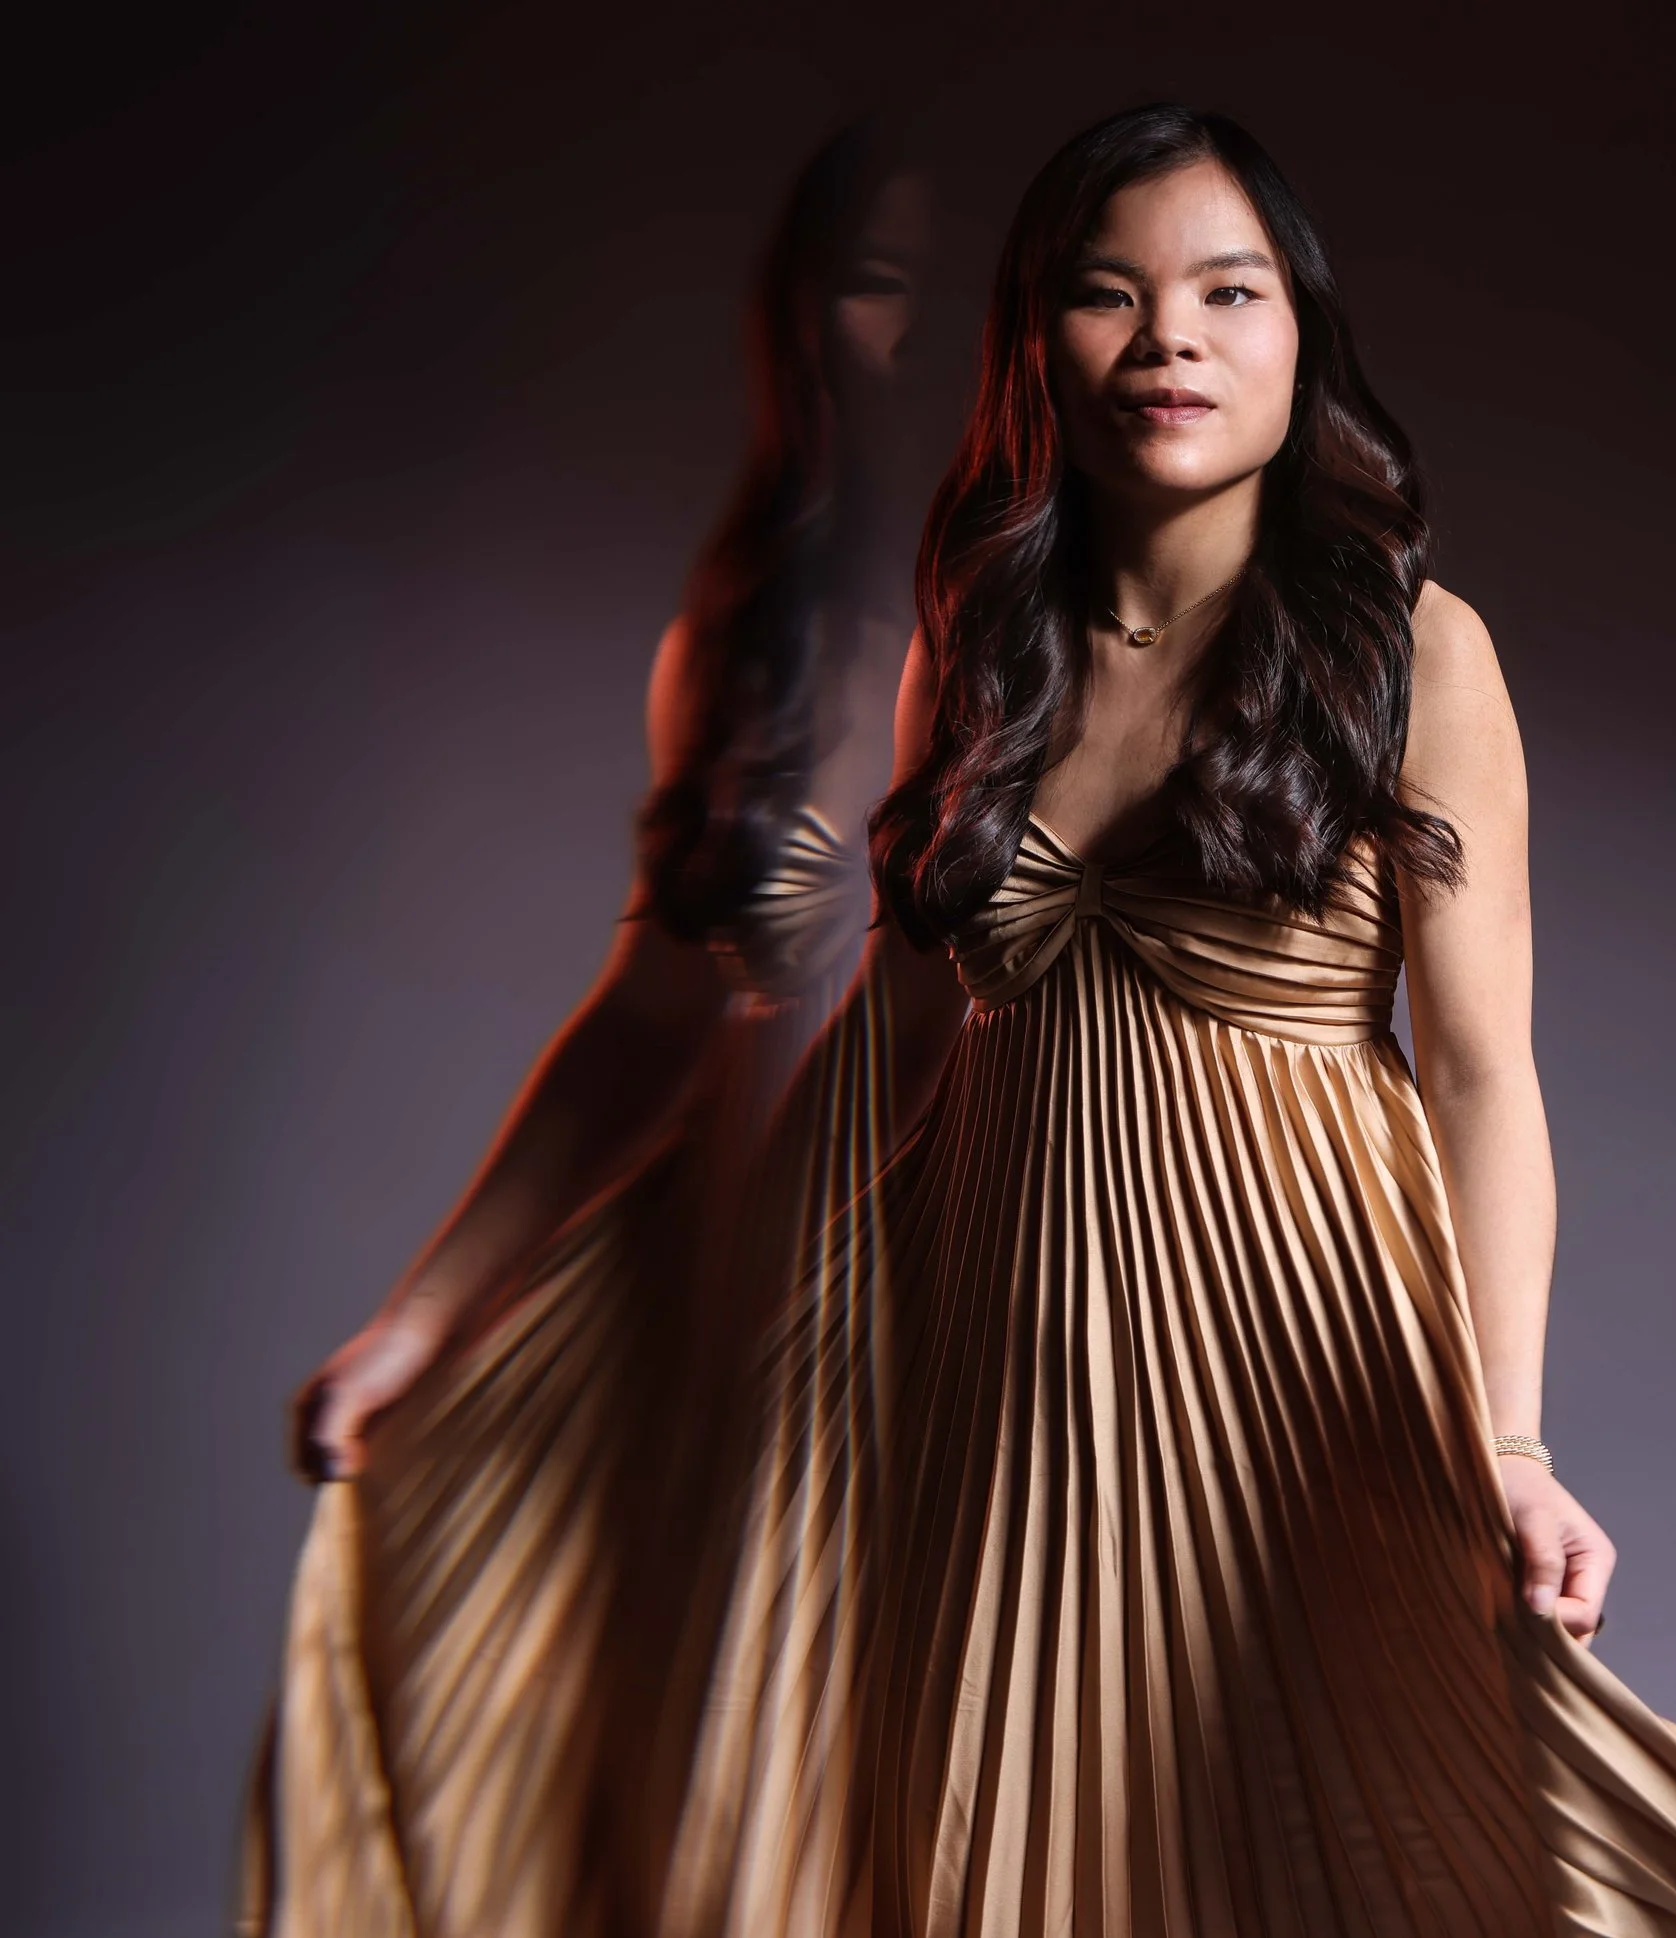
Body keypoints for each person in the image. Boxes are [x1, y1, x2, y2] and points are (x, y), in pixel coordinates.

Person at [258, 103, 1676, 1938]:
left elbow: (1481, 1075)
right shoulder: (968, 652)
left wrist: (1509, 1442)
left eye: (1225, 291)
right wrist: (464, 1323)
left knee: (1339, 1861)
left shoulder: (1406, 650)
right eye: (1105, 290)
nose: (1165, 335)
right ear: (1037, 341)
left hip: (1289, 1394)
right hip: (984, 1414)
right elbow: (881, 1078)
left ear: (1300, 338)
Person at [244, 119, 938, 1938]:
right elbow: (653, 1007)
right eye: (867, 286)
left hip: (980, 1326)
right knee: (709, 1852)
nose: (898, 346)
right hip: (739, 1322)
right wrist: (421, 1318)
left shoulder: (1086, 639)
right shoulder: (750, 637)